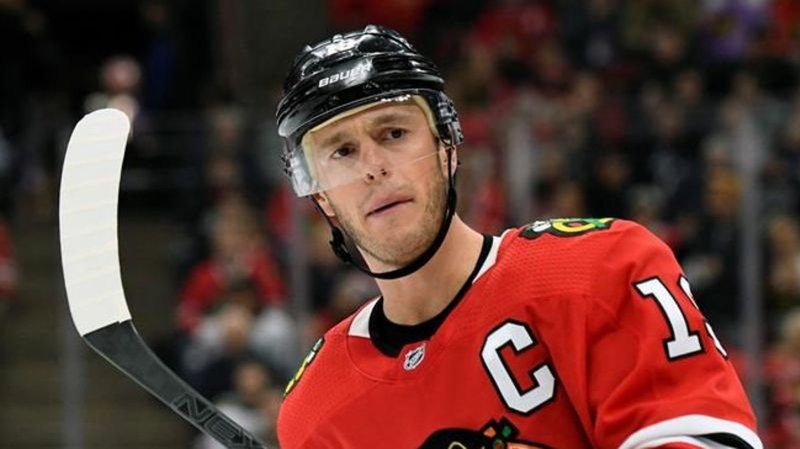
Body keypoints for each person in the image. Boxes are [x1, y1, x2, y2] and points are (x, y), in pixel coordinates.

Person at [273, 25, 762, 449]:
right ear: (321, 197)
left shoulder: (600, 269)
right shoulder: (316, 413)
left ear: (447, 145)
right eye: (342, 152)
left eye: (394, 134)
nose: (374, 168)